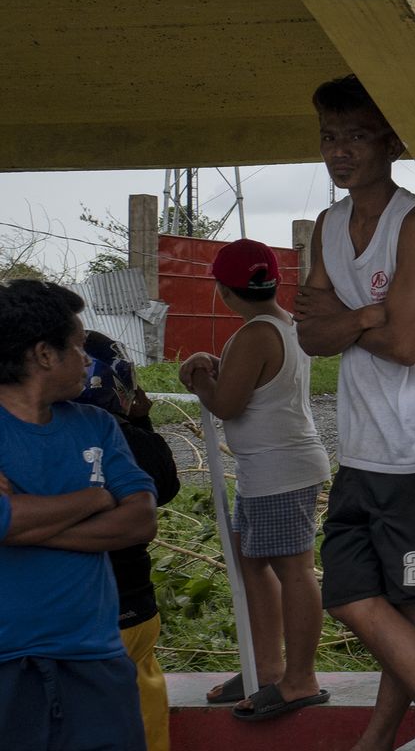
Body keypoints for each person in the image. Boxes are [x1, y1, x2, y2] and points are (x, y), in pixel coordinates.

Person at [295, 74, 415, 751]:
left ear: (391, 141)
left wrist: (351, 320)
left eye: (354, 136)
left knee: (412, 602)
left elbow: (406, 345)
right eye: (328, 138)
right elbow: (310, 335)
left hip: (414, 448)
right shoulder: (328, 225)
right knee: (347, 594)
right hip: (358, 448)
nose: (338, 152)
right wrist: (364, 315)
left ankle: (381, 735)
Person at [0, 279, 158, 751]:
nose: (87, 361)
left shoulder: (98, 424)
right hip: (8, 660)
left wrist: (21, 525)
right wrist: (94, 499)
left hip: (95, 657)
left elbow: (140, 522)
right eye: (76, 347)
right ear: (44, 355)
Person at [180, 239, 332, 721]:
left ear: (224, 290)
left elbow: (226, 403)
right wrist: (213, 368)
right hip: (268, 468)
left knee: (294, 569)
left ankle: (300, 679)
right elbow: (253, 386)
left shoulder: (255, 334)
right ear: (274, 281)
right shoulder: (282, 326)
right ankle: (265, 668)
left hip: (279, 469)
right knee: (254, 565)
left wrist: (194, 375)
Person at [82, 331, 182, 751]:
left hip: (86, 616)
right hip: (138, 609)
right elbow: (167, 483)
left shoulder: (62, 440)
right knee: (142, 701)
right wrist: (142, 422)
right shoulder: (133, 440)